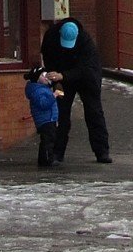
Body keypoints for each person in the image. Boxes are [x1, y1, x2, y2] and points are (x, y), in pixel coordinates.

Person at [39, 16, 111, 164]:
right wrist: (54, 76)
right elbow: (47, 57)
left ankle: (102, 151)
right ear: (59, 34)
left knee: (94, 112)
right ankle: (57, 152)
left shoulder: (86, 42)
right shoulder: (50, 37)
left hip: (86, 79)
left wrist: (63, 75)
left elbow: (85, 69)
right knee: (60, 112)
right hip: (61, 80)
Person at [24, 64, 61, 169]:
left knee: (49, 139)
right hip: (45, 120)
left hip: (50, 118)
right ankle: (47, 159)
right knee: (48, 140)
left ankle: (45, 159)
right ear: (37, 79)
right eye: (43, 75)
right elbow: (43, 104)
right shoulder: (37, 91)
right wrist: (54, 96)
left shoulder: (44, 88)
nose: (46, 77)